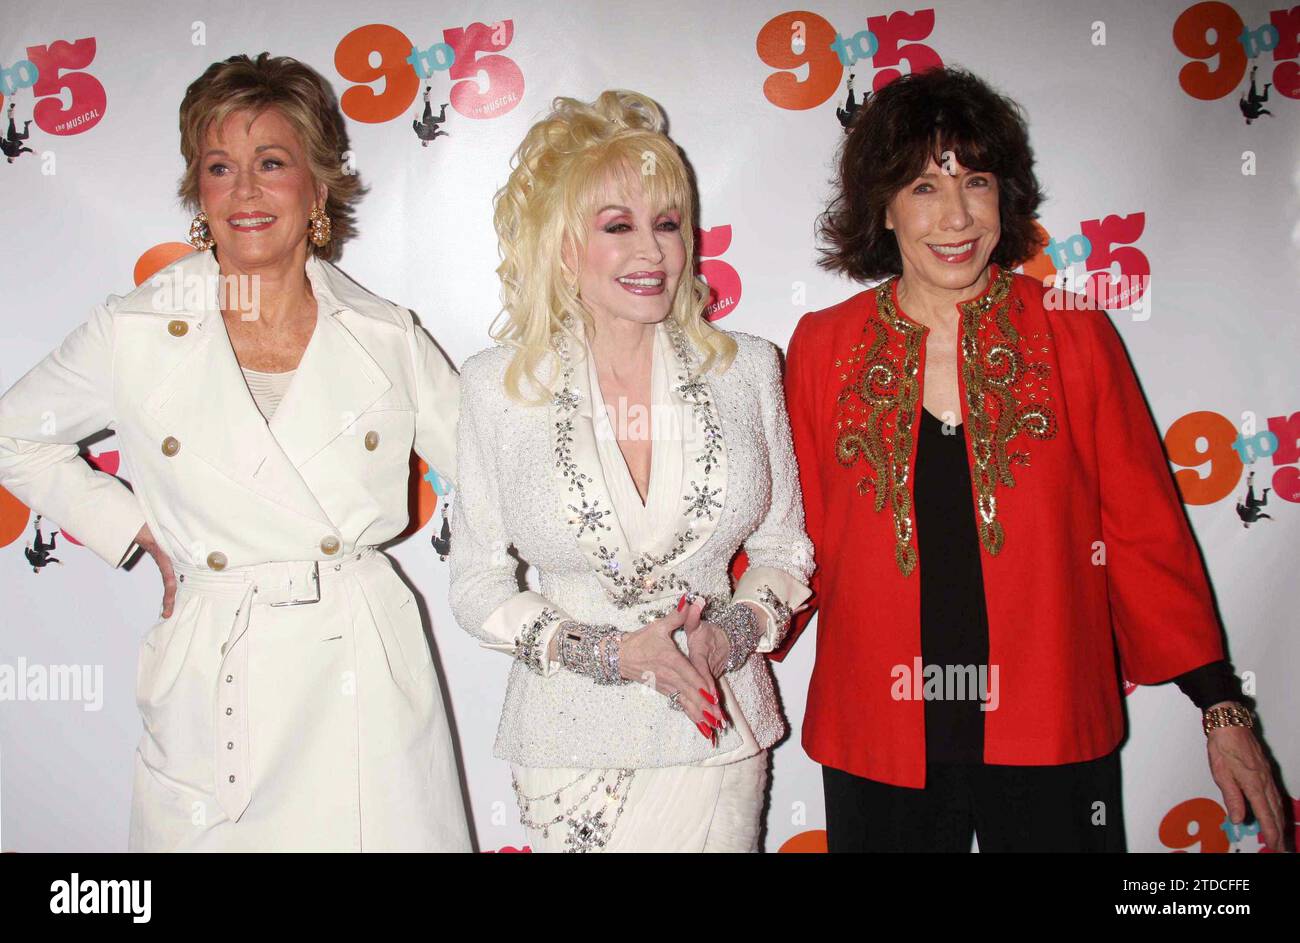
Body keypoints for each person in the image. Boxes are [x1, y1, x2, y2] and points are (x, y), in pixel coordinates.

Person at [781, 66, 1287, 852]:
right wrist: (723, 636)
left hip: (1048, 728)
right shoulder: (823, 348)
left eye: (975, 181)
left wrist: (1221, 706)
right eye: (922, 186)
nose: (956, 215)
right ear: (881, 206)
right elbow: (789, 538)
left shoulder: (1072, 331)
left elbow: (1143, 527)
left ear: (1003, 195)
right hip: (877, 738)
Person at [0, 53, 471, 851]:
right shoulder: (136, 329)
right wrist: (134, 528)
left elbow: (496, 478)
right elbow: (15, 436)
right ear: (199, 194)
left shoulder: (387, 335)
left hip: (361, 669)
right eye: (220, 167)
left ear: (317, 189)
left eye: (272, 163)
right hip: (213, 667)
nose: (245, 191)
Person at [449, 90, 813, 852]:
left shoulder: (746, 369)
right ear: (561, 245)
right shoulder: (498, 386)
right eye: (618, 226)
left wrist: (729, 635)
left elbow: (785, 551)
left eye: (667, 224)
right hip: (570, 743)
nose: (652, 253)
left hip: (717, 731)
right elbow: (477, 582)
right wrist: (609, 653)